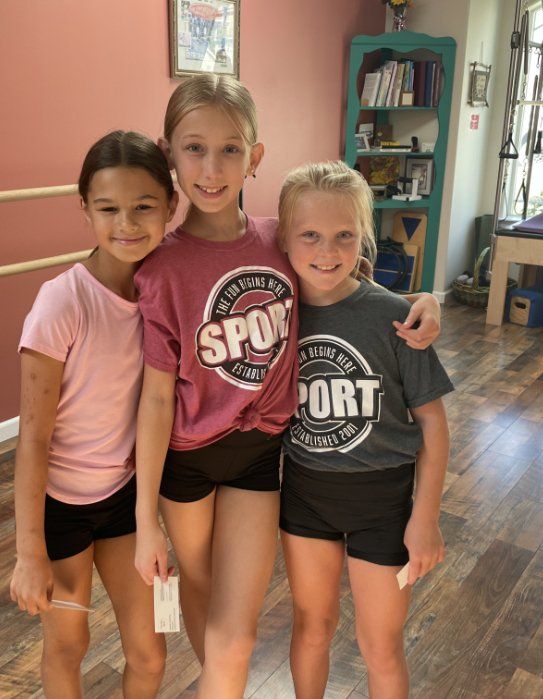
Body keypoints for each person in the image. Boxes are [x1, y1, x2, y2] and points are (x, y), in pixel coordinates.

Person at [132, 74, 443, 697]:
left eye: (229, 149)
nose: (212, 167)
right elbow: (157, 397)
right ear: (169, 154)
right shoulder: (158, 267)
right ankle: (214, 683)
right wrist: (144, 521)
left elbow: (339, 277)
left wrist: (425, 300)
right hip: (185, 461)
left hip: (259, 458)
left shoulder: (278, 240)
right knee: (204, 605)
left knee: (238, 636)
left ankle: (219, 677)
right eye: (193, 148)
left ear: (255, 157)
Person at [10, 130, 178, 699]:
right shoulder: (62, 303)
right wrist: (28, 552)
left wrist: (414, 302)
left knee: (151, 653)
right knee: (67, 646)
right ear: (84, 210)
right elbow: (32, 439)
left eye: (143, 207)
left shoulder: (168, 288)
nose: (126, 223)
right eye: (108, 208)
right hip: (61, 508)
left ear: (171, 207)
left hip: (126, 502)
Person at [276, 160, 453, 699]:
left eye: (344, 236)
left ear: (364, 237)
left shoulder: (395, 317)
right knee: (312, 627)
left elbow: (434, 426)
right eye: (309, 235)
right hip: (306, 496)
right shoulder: (273, 312)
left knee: (380, 645)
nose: (326, 252)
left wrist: (425, 519)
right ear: (282, 237)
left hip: (385, 504)